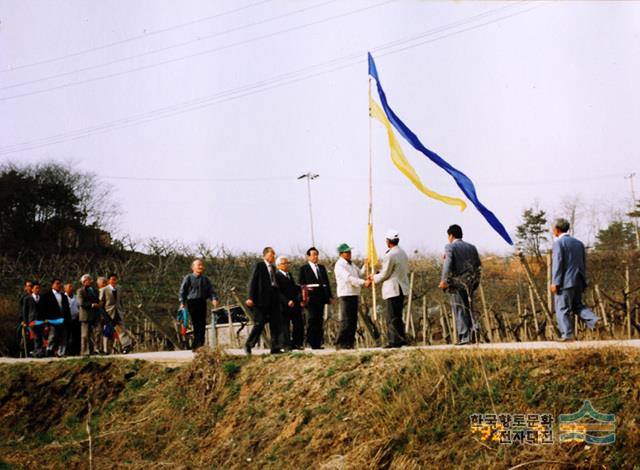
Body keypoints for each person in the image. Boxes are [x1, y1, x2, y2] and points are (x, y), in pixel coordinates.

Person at [550, 218, 599, 341]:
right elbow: (583, 262)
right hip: (579, 279)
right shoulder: (578, 243)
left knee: (562, 308)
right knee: (577, 305)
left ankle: (567, 335)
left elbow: (558, 263)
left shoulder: (559, 243)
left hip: (565, 282)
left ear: (557, 230)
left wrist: (555, 282)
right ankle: (594, 320)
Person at [438, 224, 482, 345]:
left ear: (451, 236)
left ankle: (465, 336)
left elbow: (447, 264)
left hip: (457, 282)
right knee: (468, 306)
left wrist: (444, 281)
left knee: (458, 307)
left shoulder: (450, 247)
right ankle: (475, 327)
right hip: (472, 281)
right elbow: (478, 264)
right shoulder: (472, 247)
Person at [371, 229, 409, 348]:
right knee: (398, 315)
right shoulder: (402, 252)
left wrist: (373, 277)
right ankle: (401, 338)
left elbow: (385, 274)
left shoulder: (390, 255)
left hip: (394, 288)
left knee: (392, 316)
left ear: (388, 241)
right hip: (402, 287)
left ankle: (394, 341)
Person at [245, 247, 282, 355]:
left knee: (275, 323)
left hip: (273, 299)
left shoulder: (273, 268)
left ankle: (275, 347)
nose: (273, 257)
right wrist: (250, 297)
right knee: (259, 323)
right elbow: (252, 282)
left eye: (274, 255)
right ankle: (249, 344)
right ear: (265, 255)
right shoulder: (259, 266)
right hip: (261, 300)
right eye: (271, 255)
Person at [334, 243, 371, 350]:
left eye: (350, 251)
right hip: (345, 294)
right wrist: (364, 283)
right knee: (346, 319)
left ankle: (349, 342)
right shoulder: (340, 265)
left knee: (353, 320)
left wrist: (366, 265)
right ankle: (340, 342)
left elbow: (359, 273)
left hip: (354, 293)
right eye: (347, 252)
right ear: (341, 254)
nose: (349, 254)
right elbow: (349, 279)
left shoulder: (351, 264)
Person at [179, 259, 220, 350]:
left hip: (202, 302)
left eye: (202, 265)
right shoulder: (188, 278)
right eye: (199, 265)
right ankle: (197, 345)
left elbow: (211, 291)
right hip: (192, 302)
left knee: (202, 324)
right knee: (196, 323)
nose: (201, 267)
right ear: (193, 267)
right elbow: (183, 291)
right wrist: (182, 302)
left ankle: (199, 345)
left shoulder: (205, 279)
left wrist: (214, 299)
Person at [298, 247, 333, 349]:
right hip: (310, 299)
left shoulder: (321, 268)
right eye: (313, 254)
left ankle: (318, 342)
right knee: (312, 319)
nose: (315, 256)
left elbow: (326, 282)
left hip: (321, 298)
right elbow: (301, 284)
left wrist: (329, 296)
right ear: (308, 256)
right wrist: (302, 299)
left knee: (319, 319)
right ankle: (311, 341)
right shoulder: (304, 269)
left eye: (317, 254)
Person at [275, 255, 304, 351]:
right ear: (279, 265)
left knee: (298, 324)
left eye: (287, 263)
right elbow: (278, 291)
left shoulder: (289, 275)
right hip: (284, 305)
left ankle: (297, 343)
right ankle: (286, 345)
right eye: (284, 263)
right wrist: (287, 301)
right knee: (285, 326)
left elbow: (294, 288)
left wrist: (299, 298)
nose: (287, 265)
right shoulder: (277, 276)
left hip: (294, 304)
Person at [40, 278, 71, 357]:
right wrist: (45, 319)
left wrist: (68, 319)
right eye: (57, 283)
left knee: (64, 336)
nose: (59, 285)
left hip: (63, 319)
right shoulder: (46, 296)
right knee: (53, 336)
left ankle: (61, 352)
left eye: (59, 283)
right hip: (52, 319)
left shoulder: (63, 296)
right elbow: (43, 309)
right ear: (52, 285)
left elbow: (67, 309)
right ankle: (49, 350)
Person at [100, 273, 125, 354]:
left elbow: (120, 301)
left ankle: (125, 347)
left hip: (118, 312)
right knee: (107, 331)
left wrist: (122, 311)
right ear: (109, 280)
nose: (114, 281)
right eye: (112, 279)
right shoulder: (104, 289)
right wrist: (103, 315)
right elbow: (101, 303)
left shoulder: (119, 288)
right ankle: (105, 350)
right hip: (108, 313)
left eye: (115, 279)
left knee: (121, 330)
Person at [77, 274, 101, 356]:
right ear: (83, 282)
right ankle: (85, 351)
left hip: (96, 314)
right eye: (88, 279)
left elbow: (99, 299)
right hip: (86, 315)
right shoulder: (80, 291)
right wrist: (92, 305)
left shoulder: (95, 290)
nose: (90, 281)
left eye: (90, 279)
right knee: (85, 335)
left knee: (98, 331)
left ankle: (96, 349)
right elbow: (81, 303)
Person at [25, 282, 45, 358]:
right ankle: (37, 351)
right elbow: (25, 311)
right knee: (36, 336)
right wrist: (26, 321)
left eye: (38, 288)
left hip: (41, 320)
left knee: (40, 336)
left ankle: (38, 352)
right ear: (32, 289)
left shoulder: (42, 297)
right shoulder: (27, 298)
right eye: (36, 288)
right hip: (32, 320)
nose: (37, 290)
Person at [64, 282, 81, 356]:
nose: (71, 288)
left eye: (71, 287)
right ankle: (67, 351)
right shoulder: (63, 297)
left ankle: (76, 351)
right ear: (65, 289)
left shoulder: (76, 296)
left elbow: (79, 306)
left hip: (76, 319)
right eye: (69, 287)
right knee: (67, 336)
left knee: (76, 336)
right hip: (67, 319)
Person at [18, 280, 33, 355]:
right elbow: (21, 310)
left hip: (34, 321)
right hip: (25, 321)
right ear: (25, 287)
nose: (30, 287)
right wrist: (22, 320)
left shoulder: (36, 296)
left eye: (31, 286)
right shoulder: (23, 297)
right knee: (24, 338)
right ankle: (22, 354)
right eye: (28, 286)